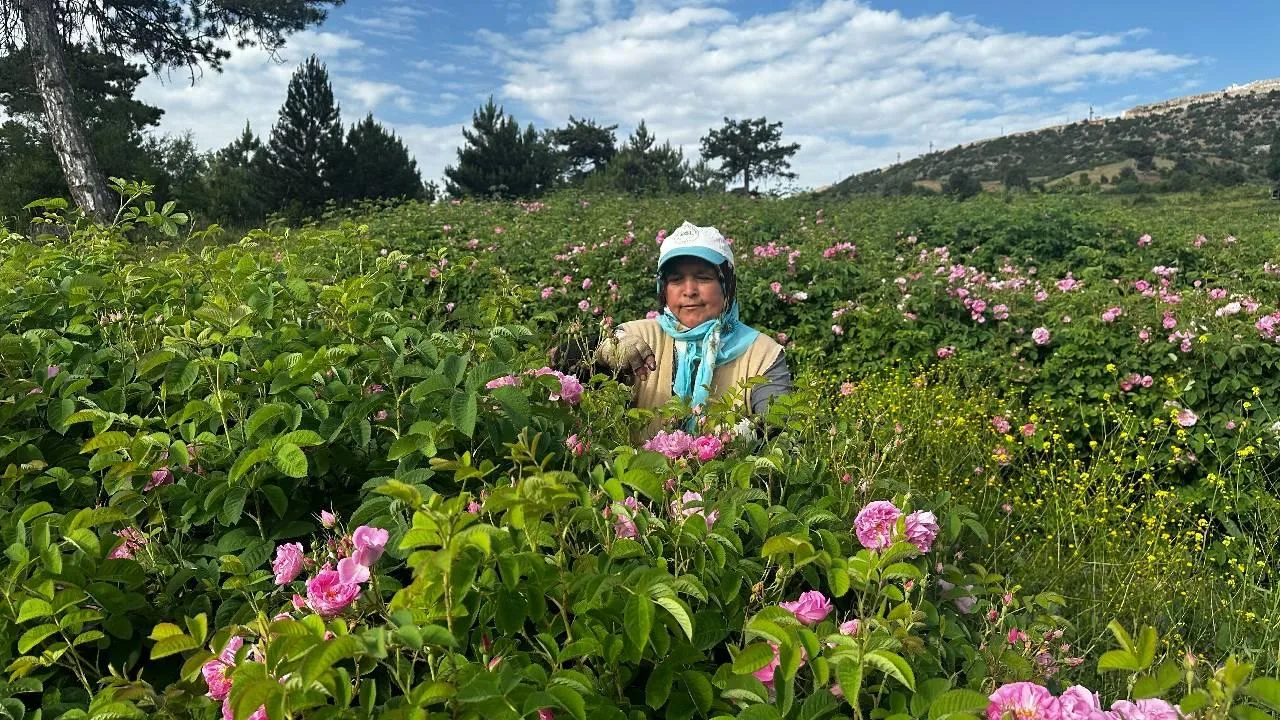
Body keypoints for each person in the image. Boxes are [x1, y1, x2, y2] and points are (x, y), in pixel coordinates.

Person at [574, 221, 792, 441]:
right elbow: (569, 374)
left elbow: (778, 429)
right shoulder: (635, 336)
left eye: (704, 278)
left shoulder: (763, 354)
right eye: (676, 280)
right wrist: (604, 353)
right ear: (663, 290)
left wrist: (733, 440)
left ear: (727, 285)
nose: (689, 291)